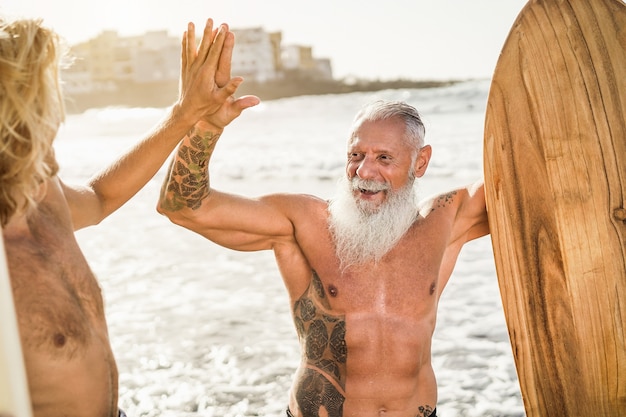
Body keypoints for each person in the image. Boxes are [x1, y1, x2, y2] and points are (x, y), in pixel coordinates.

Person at [157, 90, 489, 415]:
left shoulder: (444, 220)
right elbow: (183, 207)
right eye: (356, 156)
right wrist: (206, 126)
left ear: (421, 161)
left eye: (384, 158)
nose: (364, 172)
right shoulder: (304, 222)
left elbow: (527, 180)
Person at [0, 16, 259, 417]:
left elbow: (102, 197)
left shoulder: (42, 194)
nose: (58, 118)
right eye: (44, 105)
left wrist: (185, 115)